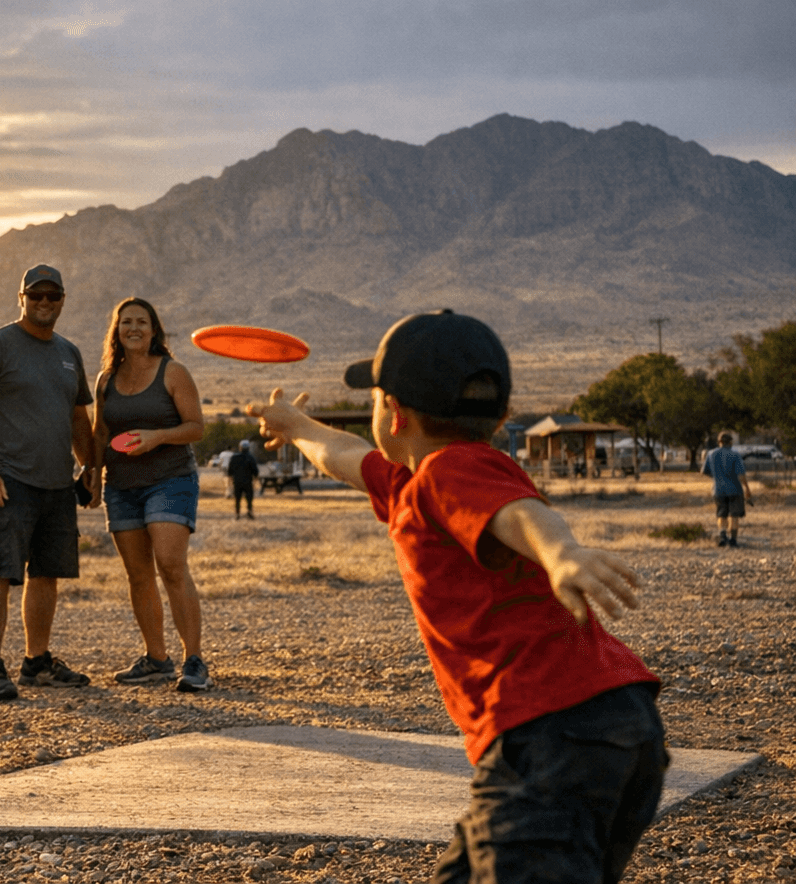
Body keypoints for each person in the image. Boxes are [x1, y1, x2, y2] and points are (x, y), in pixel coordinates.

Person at [251, 310, 665, 884]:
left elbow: (520, 515)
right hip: (609, 727)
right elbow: (339, 453)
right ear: (500, 415)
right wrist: (294, 424)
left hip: (549, 735)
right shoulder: (412, 486)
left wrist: (560, 552)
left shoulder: (452, 470)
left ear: (393, 414)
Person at [0, 264, 96, 702]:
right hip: (8, 480)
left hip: (57, 484)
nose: (43, 303)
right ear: (21, 298)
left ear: (62, 301)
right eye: (35, 295)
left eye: (52, 296)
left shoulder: (69, 353)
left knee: (47, 574)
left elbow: (78, 419)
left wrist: (90, 469)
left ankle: (37, 662)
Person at [91, 297, 211, 692]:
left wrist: (158, 437)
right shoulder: (106, 380)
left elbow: (196, 427)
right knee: (138, 575)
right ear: (117, 331)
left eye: (142, 321)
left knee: (170, 564)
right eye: (126, 322)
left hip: (170, 479)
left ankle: (194, 660)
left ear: (154, 329)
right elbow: (100, 434)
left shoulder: (173, 372)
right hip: (121, 486)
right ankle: (157, 658)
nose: (134, 328)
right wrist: (92, 474)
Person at [702, 432, 752, 547]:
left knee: (721, 514)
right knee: (734, 515)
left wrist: (716, 477)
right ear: (730, 442)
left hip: (718, 490)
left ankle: (723, 537)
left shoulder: (711, 454)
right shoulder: (735, 455)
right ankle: (733, 540)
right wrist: (747, 489)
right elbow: (741, 475)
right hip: (735, 489)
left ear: (719, 442)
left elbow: (704, 471)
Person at [227, 439, 260, 520]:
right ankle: (249, 512)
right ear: (248, 448)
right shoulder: (251, 457)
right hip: (248, 481)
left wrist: (230, 480)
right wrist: (255, 479)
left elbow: (230, 471)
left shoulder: (234, 457)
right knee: (249, 498)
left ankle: (237, 514)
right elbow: (255, 471)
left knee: (237, 498)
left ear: (240, 447)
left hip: (237, 481)